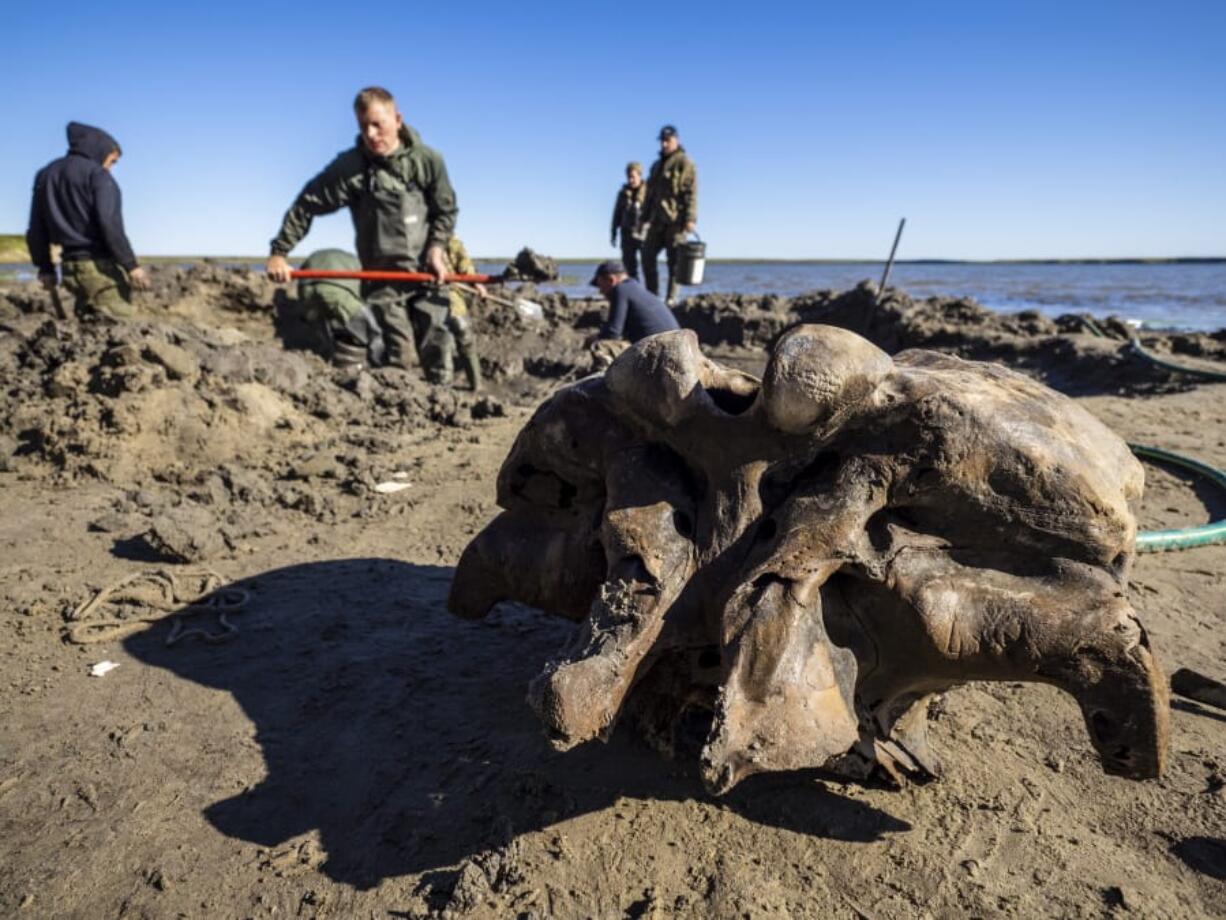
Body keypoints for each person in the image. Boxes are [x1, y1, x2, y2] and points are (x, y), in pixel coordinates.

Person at [265, 86, 459, 378]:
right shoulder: (351, 168)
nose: (370, 134)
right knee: (397, 355)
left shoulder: (428, 161)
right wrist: (280, 252)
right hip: (382, 278)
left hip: (426, 273)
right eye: (363, 126)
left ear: (398, 119)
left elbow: (445, 211)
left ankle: (444, 409)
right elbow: (307, 205)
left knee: (438, 345)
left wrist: (436, 248)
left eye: (377, 125)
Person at [26, 122, 151, 319]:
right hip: (98, 268)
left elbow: (36, 228)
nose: (110, 168)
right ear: (100, 151)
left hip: (68, 269)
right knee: (123, 326)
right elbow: (110, 224)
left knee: (88, 327)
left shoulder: (45, 175)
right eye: (112, 161)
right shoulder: (98, 176)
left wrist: (45, 268)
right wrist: (131, 266)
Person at [296, 248, 385, 370]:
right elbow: (366, 293)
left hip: (307, 290)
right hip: (335, 290)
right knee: (373, 331)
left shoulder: (320, 256)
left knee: (322, 326)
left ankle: (325, 358)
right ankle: (378, 365)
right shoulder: (358, 262)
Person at [639, 124, 697, 307]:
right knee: (647, 256)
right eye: (662, 141)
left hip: (675, 221)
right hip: (656, 221)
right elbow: (649, 195)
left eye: (668, 140)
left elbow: (691, 192)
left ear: (676, 140)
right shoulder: (656, 166)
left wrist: (690, 218)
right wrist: (643, 218)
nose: (664, 144)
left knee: (675, 262)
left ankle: (672, 298)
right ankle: (652, 296)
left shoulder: (684, 162)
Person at [589, 259, 679, 366]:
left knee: (600, 346)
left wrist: (593, 338)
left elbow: (613, 332)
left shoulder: (620, 290)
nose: (601, 292)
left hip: (661, 354)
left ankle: (609, 380)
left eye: (601, 287)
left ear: (611, 280)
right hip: (676, 348)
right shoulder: (635, 288)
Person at [440, 236, 485, 390]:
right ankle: (442, 389)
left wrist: (476, 282)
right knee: (440, 342)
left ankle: (476, 385)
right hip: (426, 295)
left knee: (465, 336)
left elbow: (463, 261)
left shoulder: (450, 239)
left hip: (451, 294)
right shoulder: (416, 235)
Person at [610, 161, 646, 279]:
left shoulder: (649, 192)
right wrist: (613, 232)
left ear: (640, 176)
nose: (630, 180)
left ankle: (650, 295)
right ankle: (633, 293)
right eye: (628, 177)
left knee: (648, 266)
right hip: (627, 233)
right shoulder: (622, 194)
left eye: (633, 177)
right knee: (629, 268)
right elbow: (616, 214)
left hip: (644, 234)